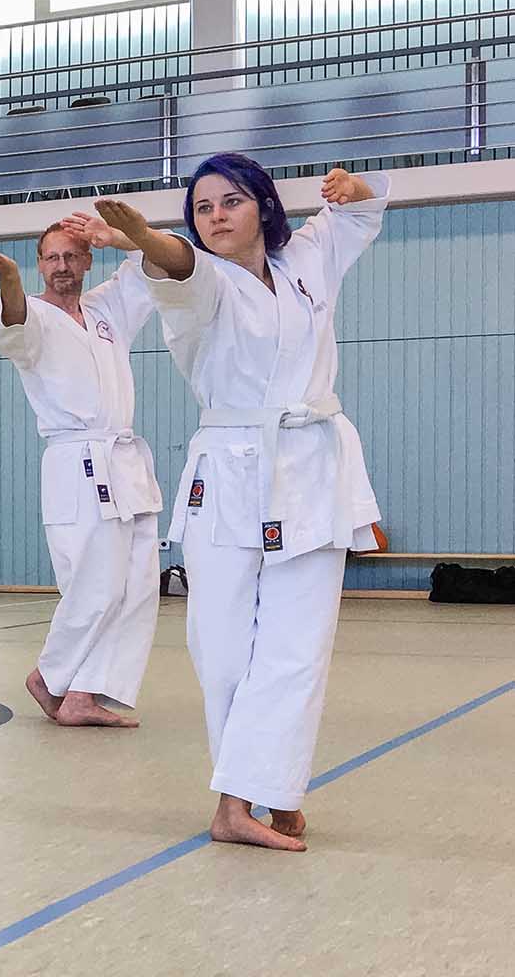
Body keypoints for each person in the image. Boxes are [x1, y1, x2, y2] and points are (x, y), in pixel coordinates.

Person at [94, 157, 390, 852]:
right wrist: (144, 234)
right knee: (222, 645)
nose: (216, 216)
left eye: (230, 202)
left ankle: (259, 796)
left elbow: (364, 209)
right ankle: (253, 791)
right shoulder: (199, 282)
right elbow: (178, 265)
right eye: (201, 208)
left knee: (297, 646)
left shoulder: (306, 259)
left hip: (312, 467)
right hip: (225, 473)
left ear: (262, 205)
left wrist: (357, 186)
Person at [0, 215, 162, 729]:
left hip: (124, 460)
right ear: (39, 265)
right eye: (52, 258)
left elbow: (155, 263)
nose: (62, 266)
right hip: (76, 461)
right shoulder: (30, 312)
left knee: (138, 585)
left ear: (87, 259)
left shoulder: (106, 308)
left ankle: (84, 694)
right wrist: (9, 280)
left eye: (72, 255)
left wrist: (119, 235)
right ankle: (50, 675)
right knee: (95, 585)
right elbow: (11, 326)